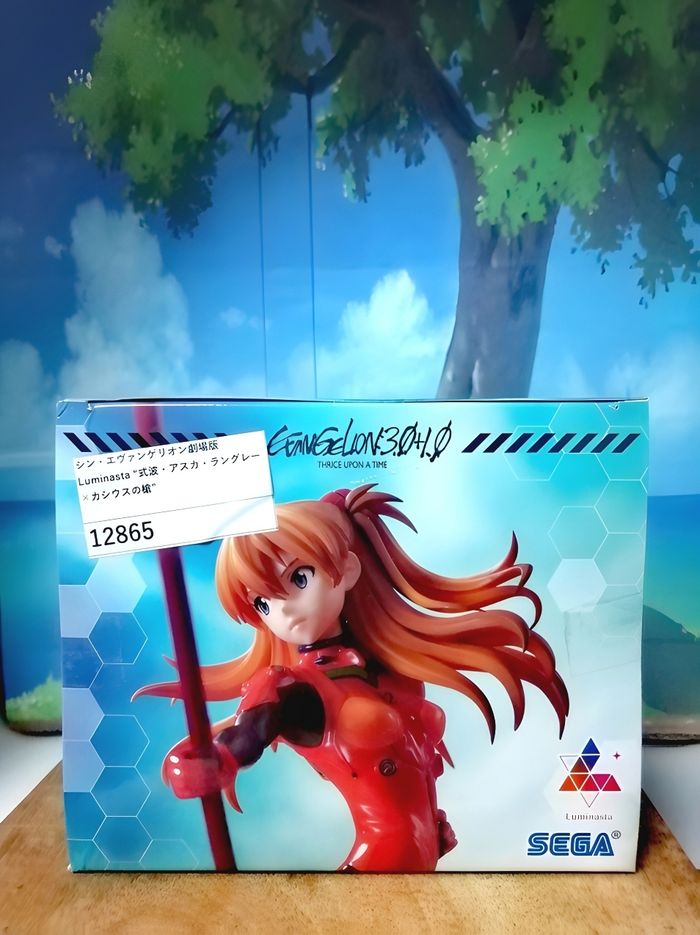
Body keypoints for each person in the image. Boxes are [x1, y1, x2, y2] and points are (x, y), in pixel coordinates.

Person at [137, 484, 568, 871]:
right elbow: (245, 737)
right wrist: (210, 763)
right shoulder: (288, 688)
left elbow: (408, 761)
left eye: (298, 578)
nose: (283, 610)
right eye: (262, 604)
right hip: (375, 867)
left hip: (419, 863)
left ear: (346, 570)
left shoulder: (378, 668)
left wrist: (430, 823)